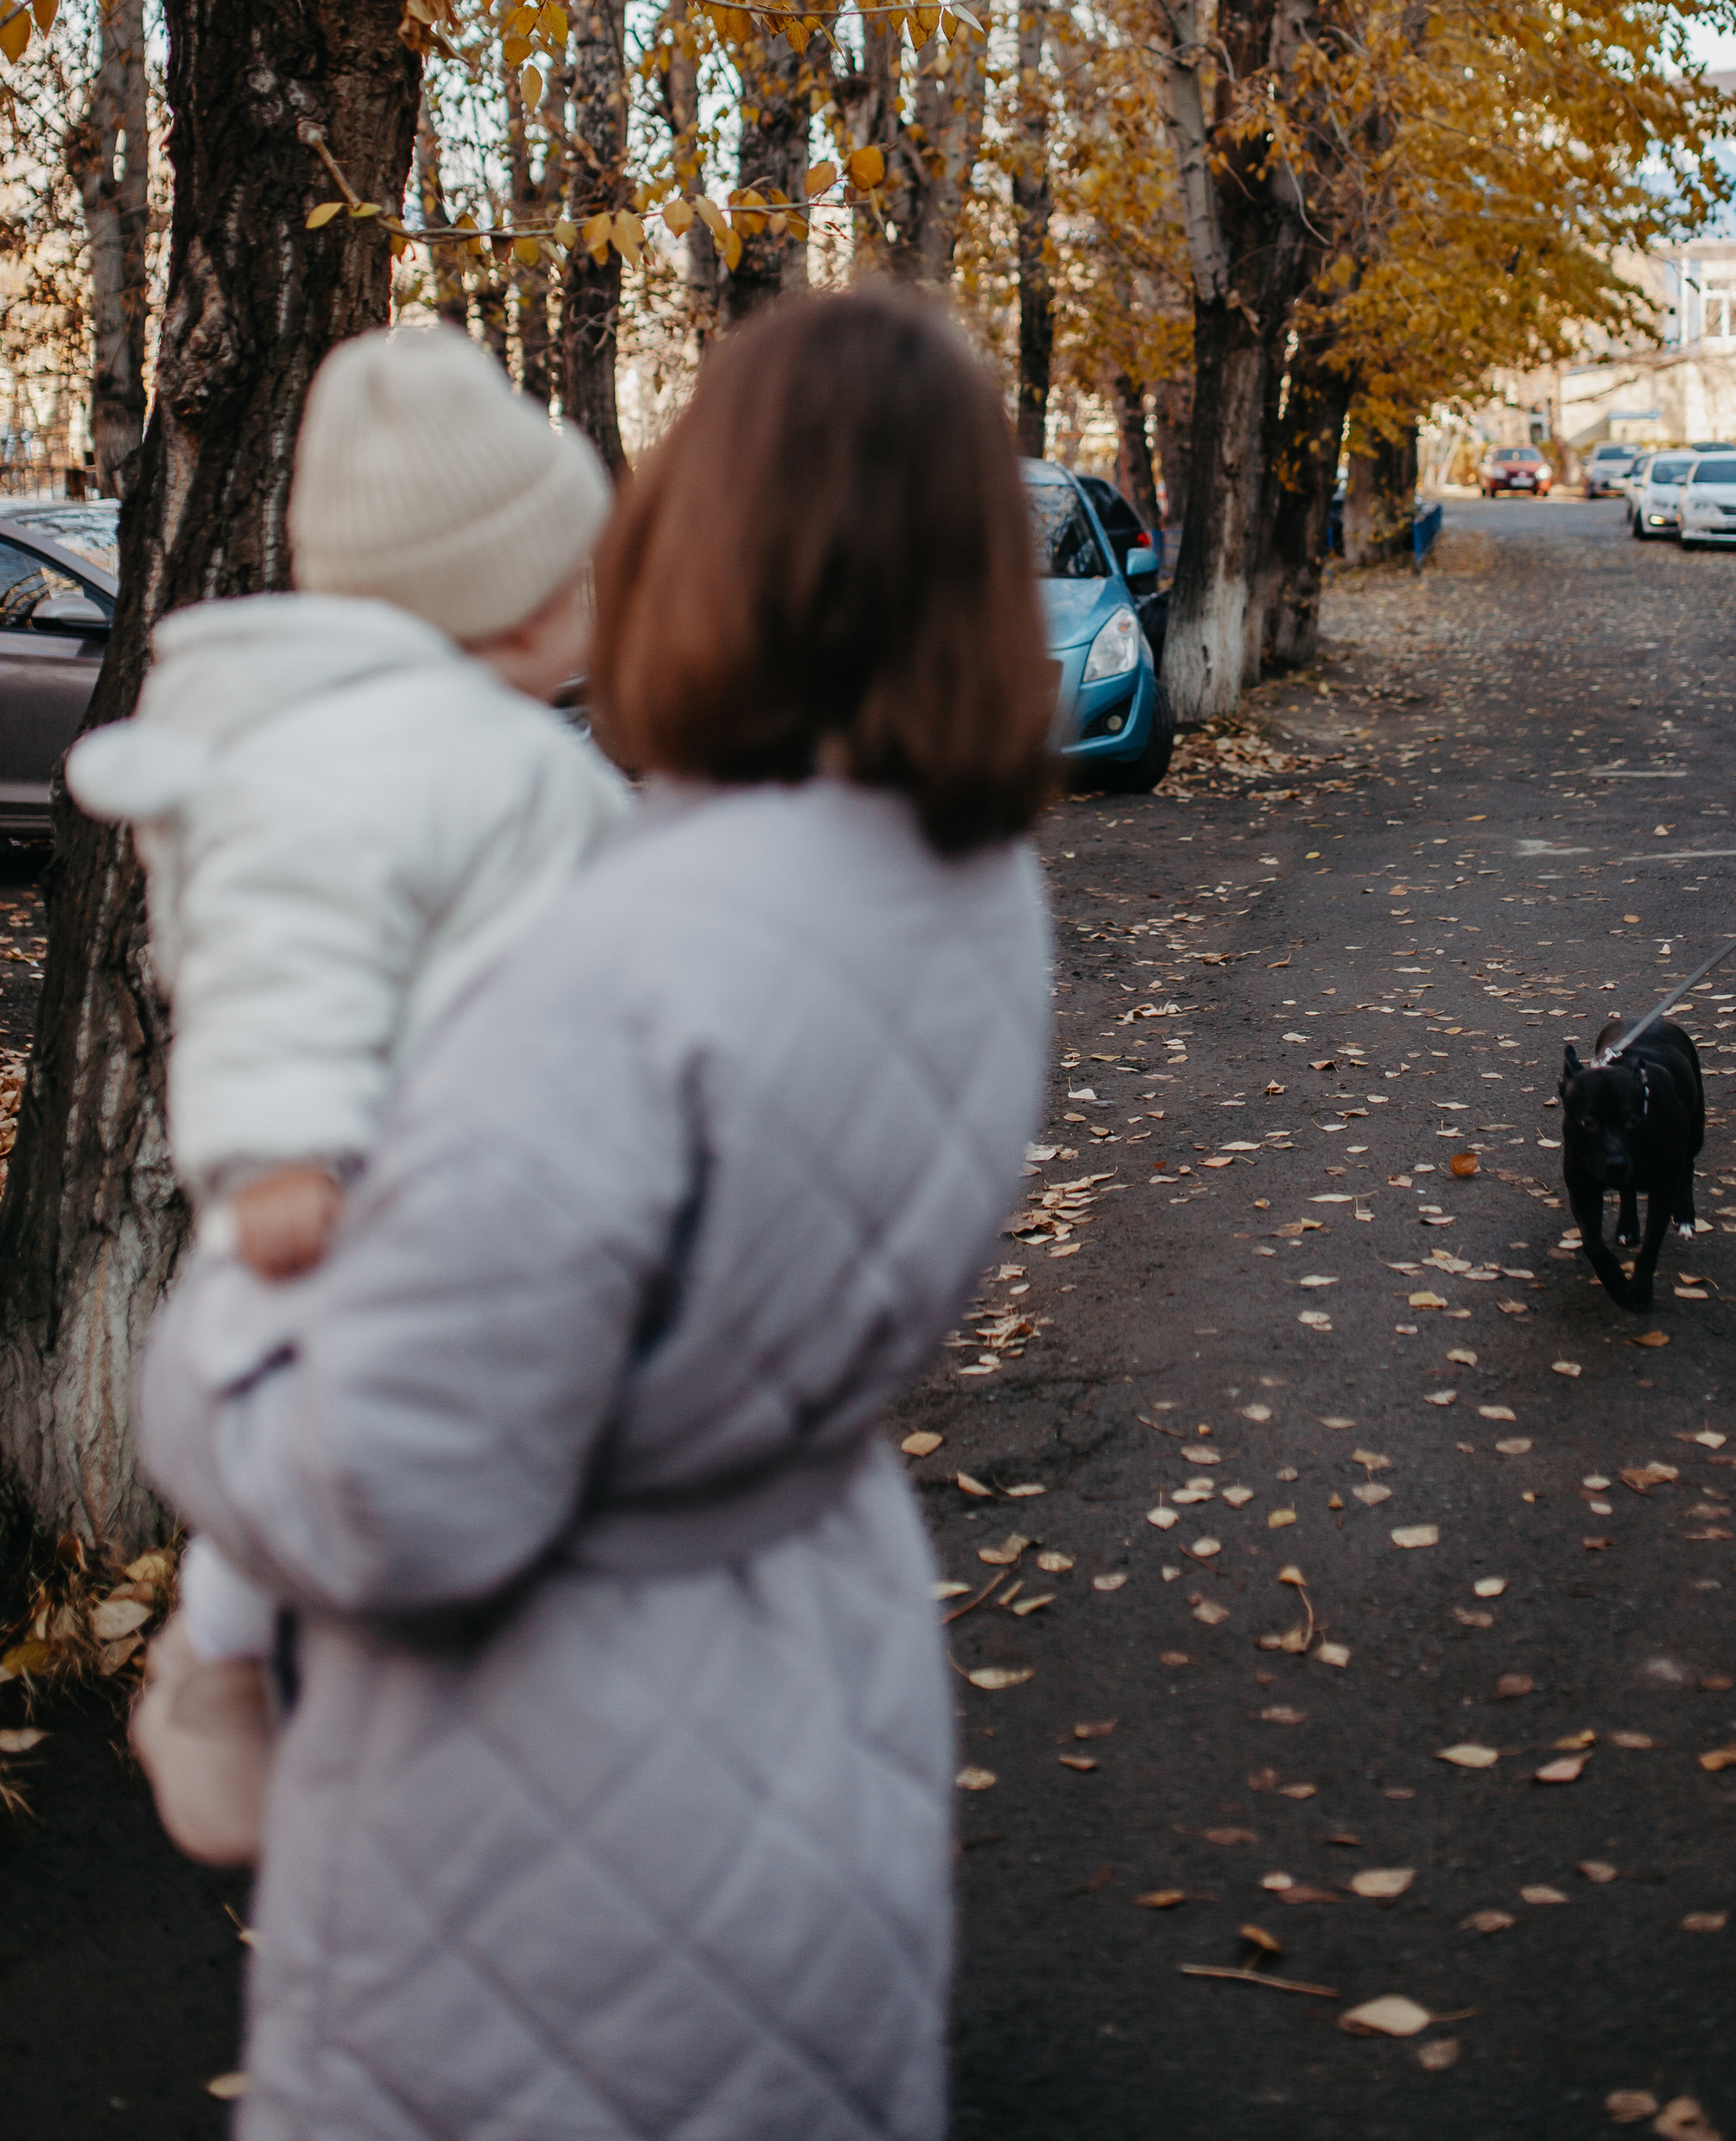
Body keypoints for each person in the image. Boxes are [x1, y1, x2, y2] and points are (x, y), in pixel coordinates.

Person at [137, 288, 1056, 2141]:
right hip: (816, 1705)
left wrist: (207, 1342)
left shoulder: (623, 965)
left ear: (691, 541)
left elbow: (386, 1483)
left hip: (551, 1820)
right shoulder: (967, 894)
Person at [70, 322, 627, 1860]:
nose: (590, 596)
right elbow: (275, 951)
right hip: (342, 1183)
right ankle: (216, 1671)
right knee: (315, 1412)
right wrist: (276, 1149)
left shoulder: (482, 747)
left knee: (393, 1415)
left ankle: (270, 1658)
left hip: (461, 1164)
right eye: (567, 569)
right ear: (490, 598)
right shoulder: (359, 760)